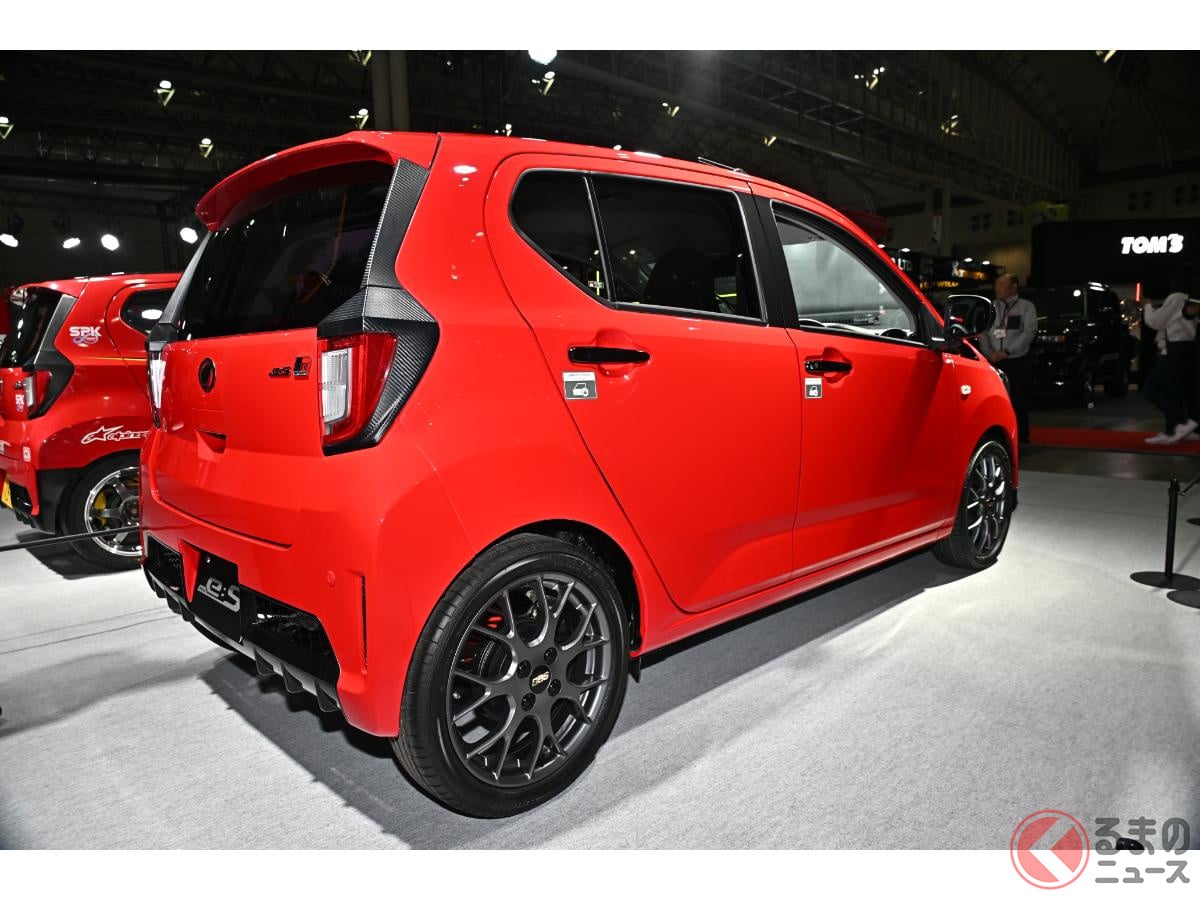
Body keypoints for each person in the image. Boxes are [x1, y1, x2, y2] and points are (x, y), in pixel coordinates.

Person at [1143, 265, 1200, 444]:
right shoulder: (1189, 298)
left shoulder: (1176, 297)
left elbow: (1155, 322)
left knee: (1152, 390)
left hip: (1175, 350)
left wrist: (1148, 307)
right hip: (1186, 350)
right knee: (1173, 392)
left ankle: (1183, 423)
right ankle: (1174, 431)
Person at [978, 274, 1038, 445]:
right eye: (997, 284)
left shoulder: (1026, 307)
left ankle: (1021, 436)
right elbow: (983, 332)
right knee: (995, 400)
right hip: (994, 361)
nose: (997, 288)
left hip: (1017, 360)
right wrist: (989, 354)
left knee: (1018, 399)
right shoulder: (991, 307)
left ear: (1014, 286)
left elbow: (1028, 333)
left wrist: (1007, 351)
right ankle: (998, 436)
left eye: (1002, 284)